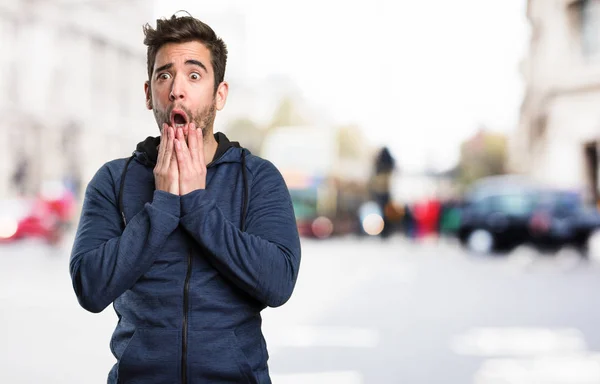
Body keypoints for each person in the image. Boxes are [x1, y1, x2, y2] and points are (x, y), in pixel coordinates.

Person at [69, 13, 301, 384]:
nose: (177, 88)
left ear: (219, 94)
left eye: (194, 75)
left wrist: (196, 202)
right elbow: (90, 288)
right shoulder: (113, 179)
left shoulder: (257, 177)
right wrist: (161, 206)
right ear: (149, 94)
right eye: (164, 75)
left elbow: (277, 284)